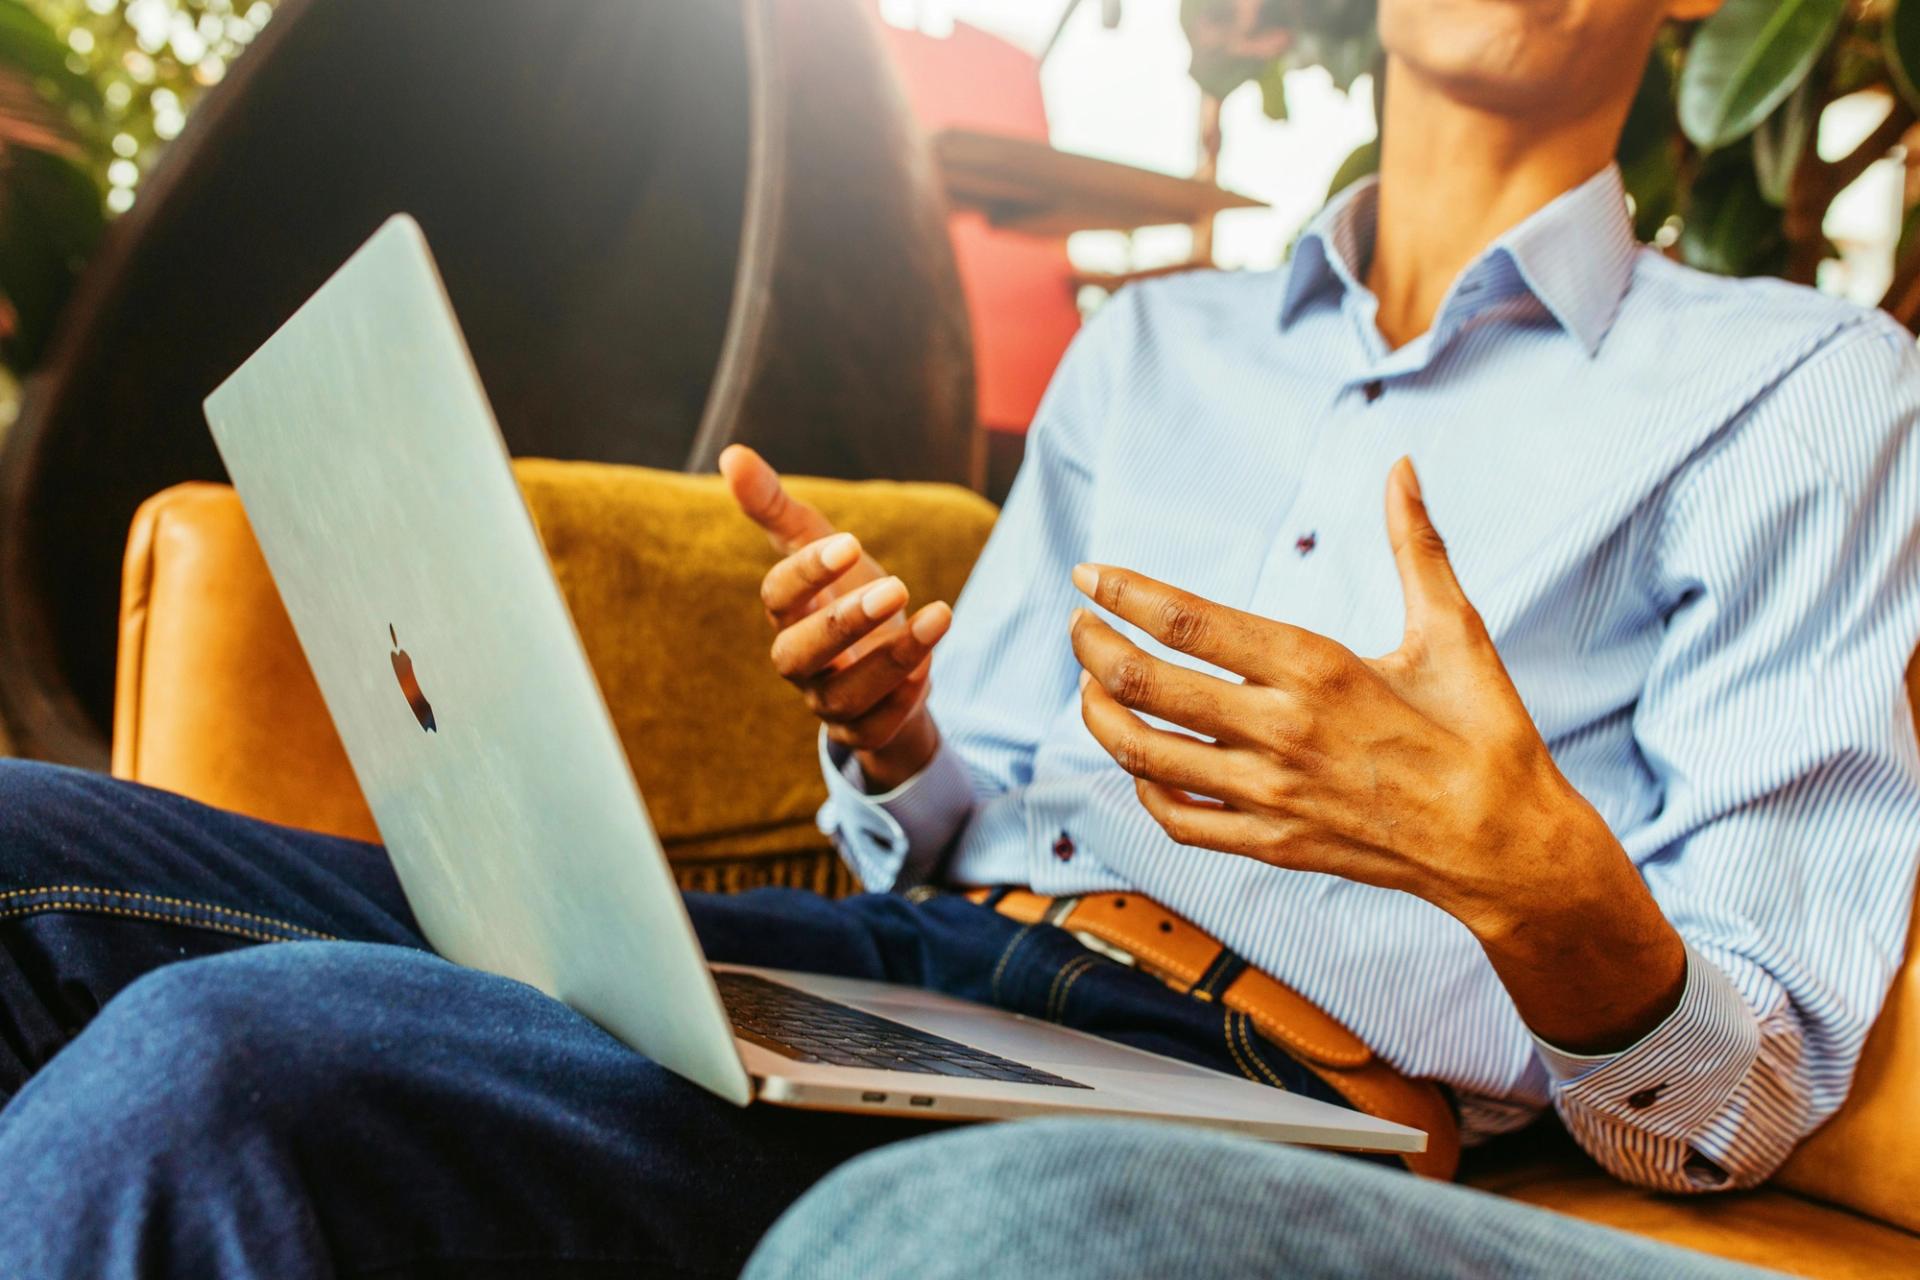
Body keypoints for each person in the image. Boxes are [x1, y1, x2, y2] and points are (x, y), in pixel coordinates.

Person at [1, 0, 1917, 1272]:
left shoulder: (1809, 395)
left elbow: (1747, 1092)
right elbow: (969, 814)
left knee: (217, 1067)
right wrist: (898, 735)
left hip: (1264, 1091)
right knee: (27, 852)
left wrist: (1541, 887)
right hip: (918, 966)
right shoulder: (1152, 350)